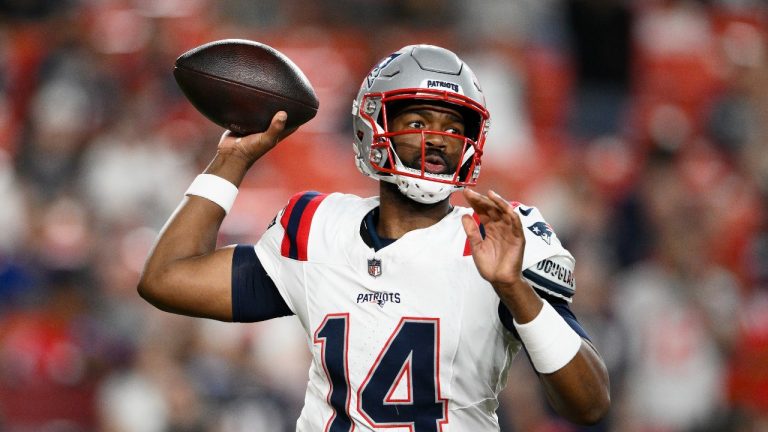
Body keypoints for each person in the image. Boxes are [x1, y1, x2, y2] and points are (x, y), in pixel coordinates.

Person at [138, 44, 610, 431]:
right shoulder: (317, 227)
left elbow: (589, 405)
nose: (441, 139)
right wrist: (234, 159)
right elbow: (165, 279)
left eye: (453, 127)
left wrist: (515, 289)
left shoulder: (498, 239)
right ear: (375, 126)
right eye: (419, 122)